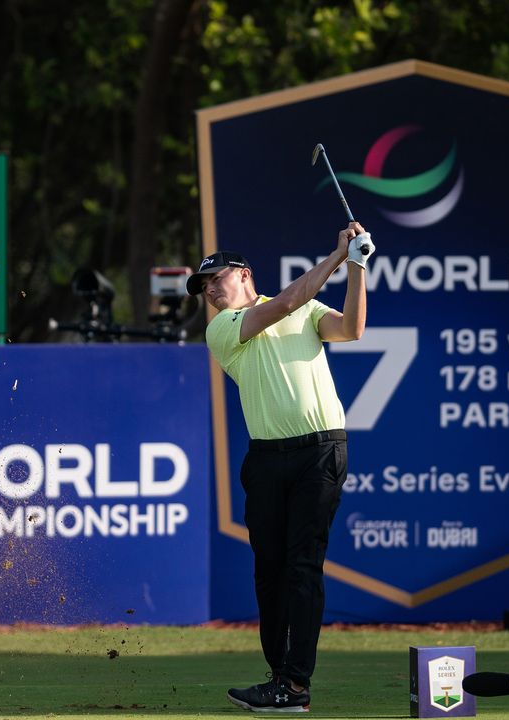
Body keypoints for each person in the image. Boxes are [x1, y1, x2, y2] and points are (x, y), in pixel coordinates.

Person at [188, 222, 374, 713]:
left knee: (302, 567)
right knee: (269, 573)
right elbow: (285, 304)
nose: (209, 290)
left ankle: (294, 685)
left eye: (215, 279)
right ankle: (278, 677)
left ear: (244, 274)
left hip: (320, 453)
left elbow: (351, 329)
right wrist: (338, 255)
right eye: (203, 287)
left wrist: (356, 268)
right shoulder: (221, 328)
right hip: (267, 459)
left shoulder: (306, 307)